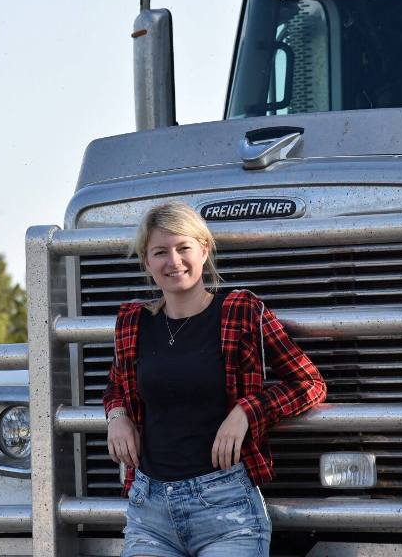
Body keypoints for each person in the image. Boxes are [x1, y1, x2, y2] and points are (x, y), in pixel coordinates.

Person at [103, 201, 327, 557]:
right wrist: (117, 416)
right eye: (160, 252)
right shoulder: (133, 322)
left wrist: (247, 411)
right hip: (149, 510)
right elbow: (118, 385)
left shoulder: (240, 311)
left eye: (183, 248)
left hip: (227, 511)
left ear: (204, 249)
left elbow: (310, 383)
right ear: (146, 261)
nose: (173, 261)